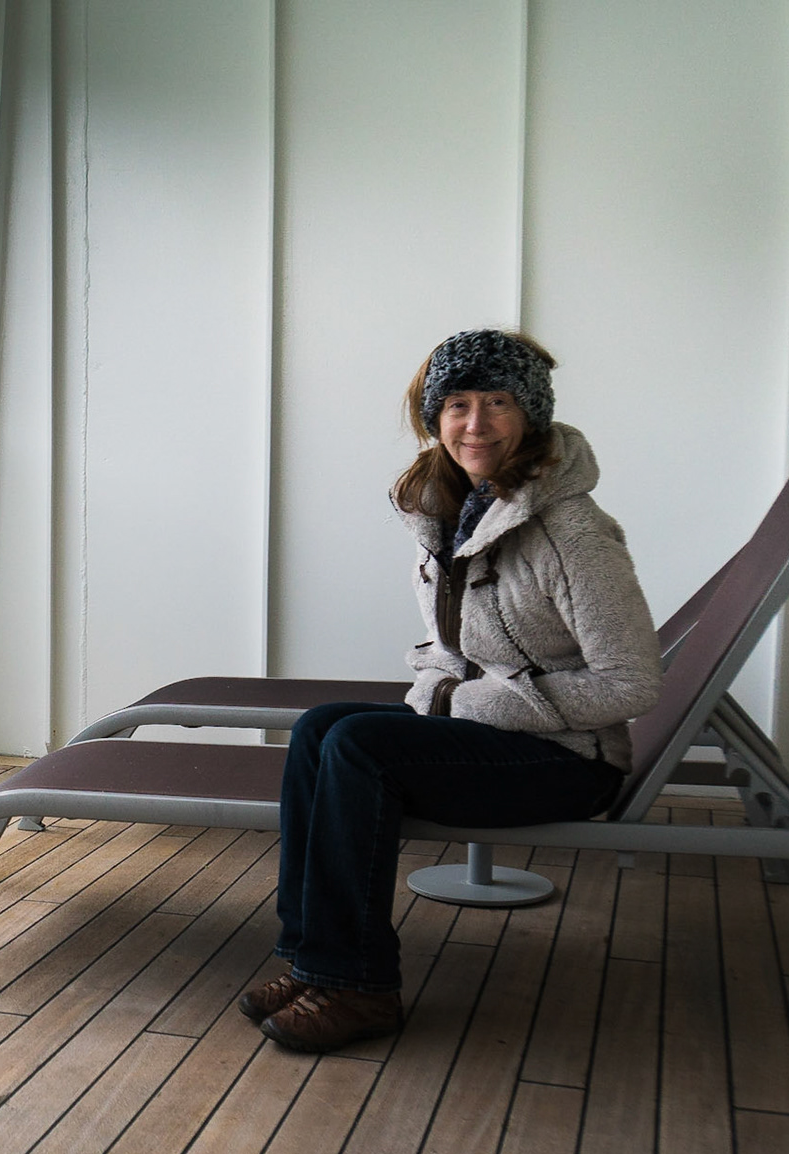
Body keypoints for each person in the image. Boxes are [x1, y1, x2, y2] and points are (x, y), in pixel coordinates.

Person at [240, 328, 662, 1054]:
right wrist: (444, 692)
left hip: (567, 761)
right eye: (458, 404)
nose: (476, 423)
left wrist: (482, 703)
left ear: (530, 415)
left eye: (497, 402)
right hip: (495, 740)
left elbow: (633, 681)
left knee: (359, 744)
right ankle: (313, 958)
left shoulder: (572, 531)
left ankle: (359, 985)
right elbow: (455, 647)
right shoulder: (455, 511)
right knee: (322, 728)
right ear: (432, 417)